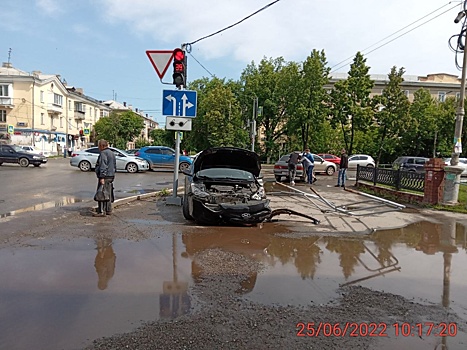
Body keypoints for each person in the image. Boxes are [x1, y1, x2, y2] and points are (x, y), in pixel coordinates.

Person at [93, 139, 116, 217]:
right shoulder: (111, 153)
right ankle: (108, 210)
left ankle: (101, 211)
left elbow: (103, 165)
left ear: (102, 146)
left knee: (101, 193)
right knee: (108, 194)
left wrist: (102, 177)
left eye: (99, 146)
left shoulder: (103, 153)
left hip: (105, 176)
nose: (98, 147)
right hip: (111, 175)